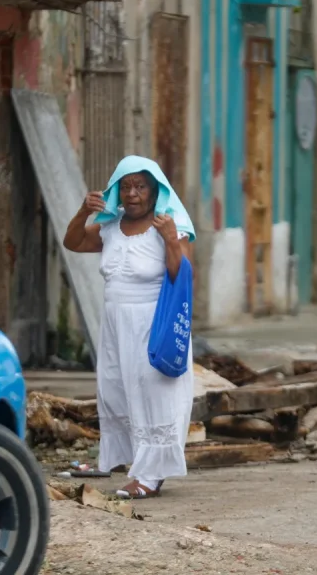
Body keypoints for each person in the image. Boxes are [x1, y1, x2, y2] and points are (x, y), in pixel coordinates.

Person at [62, 155, 195, 499]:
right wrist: (83, 212)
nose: (133, 194)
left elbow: (181, 276)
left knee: (154, 394)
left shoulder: (171, 224)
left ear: (155, 192)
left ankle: (151, 476)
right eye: (126, 187)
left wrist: (169, 240)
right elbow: (72, 242)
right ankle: (133, 461)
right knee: (118, 390)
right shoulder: (110, 227)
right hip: (115, 323)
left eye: (140, 187)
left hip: (153, 323)